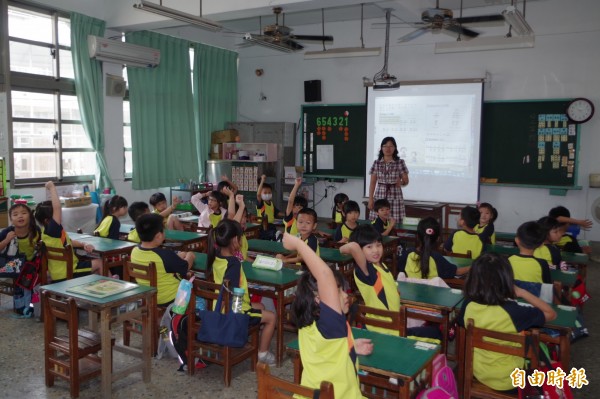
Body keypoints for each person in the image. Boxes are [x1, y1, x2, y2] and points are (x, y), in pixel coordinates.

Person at [287, 232, 373, 399]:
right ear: (319, 298)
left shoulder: (311, 320)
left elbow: (325, 351)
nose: (345, 295)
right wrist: (298, 244)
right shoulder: (332, 323)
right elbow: (325, 275)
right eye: (338, 290)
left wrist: (350, 345)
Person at [457, 253, 556, 392]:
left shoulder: (468, 304)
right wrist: (522, 292)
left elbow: (461, 324)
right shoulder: (514, 312)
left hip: (479, 372)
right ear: (507, 279)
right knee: (550, 364)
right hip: (512, 380)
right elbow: (551, 313)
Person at [206, 219, 277, 366]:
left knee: (261, 307)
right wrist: (237, 320)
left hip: (218, 307)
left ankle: (253, 340)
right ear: (234, 240)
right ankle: (263, 353)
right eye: (239, 238)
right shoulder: (233, 264)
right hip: (235, 311)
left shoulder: (216, 256)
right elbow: (232, 294)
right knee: (271, 318)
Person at [34, 181, 102, 282]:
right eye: (55, 215)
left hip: (59, 273)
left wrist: (83, 244)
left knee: (95, 270)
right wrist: (52, 187)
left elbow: (69, 242)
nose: (59, 215)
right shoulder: (53, 228)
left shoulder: (48, 232)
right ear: (47, 220)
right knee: (100, 263)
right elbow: (57, 208)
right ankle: (113, 290)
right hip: (69, 270)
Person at [130, 213, 195, 306]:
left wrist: (177, 256)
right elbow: (185, 266)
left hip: (148, 296)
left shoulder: (134, 251)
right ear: (159, 236)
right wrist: (190, 255)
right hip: (171, 298)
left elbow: (164, 263)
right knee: (197, 292)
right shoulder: (164, 255)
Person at [399, 217, 469, 280]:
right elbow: (457, 271)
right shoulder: (437, 258)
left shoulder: (408, 253)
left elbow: (401, 270)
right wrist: (472, 267)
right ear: (438, 239)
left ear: (417, 236)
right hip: (432, 293)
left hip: (411, 293)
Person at [367, 137, 409, 223]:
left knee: (395, 223)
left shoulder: (400, 162)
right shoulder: (377, 163)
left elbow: (406, 181)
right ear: (381, 148)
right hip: (379, 195)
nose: (388, 149)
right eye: (385, 146)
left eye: (391, 146)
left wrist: (400, 183)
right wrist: (370, 199)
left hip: (395, 196)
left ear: (395, 148)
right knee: (378, 223)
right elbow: (372, 183)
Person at [508, 221, 552, 297]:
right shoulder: (542, 264)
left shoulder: (508, 260)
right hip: (535, 304)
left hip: (511, 303)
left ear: (517, 240)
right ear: (541, 244)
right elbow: (547, 288)